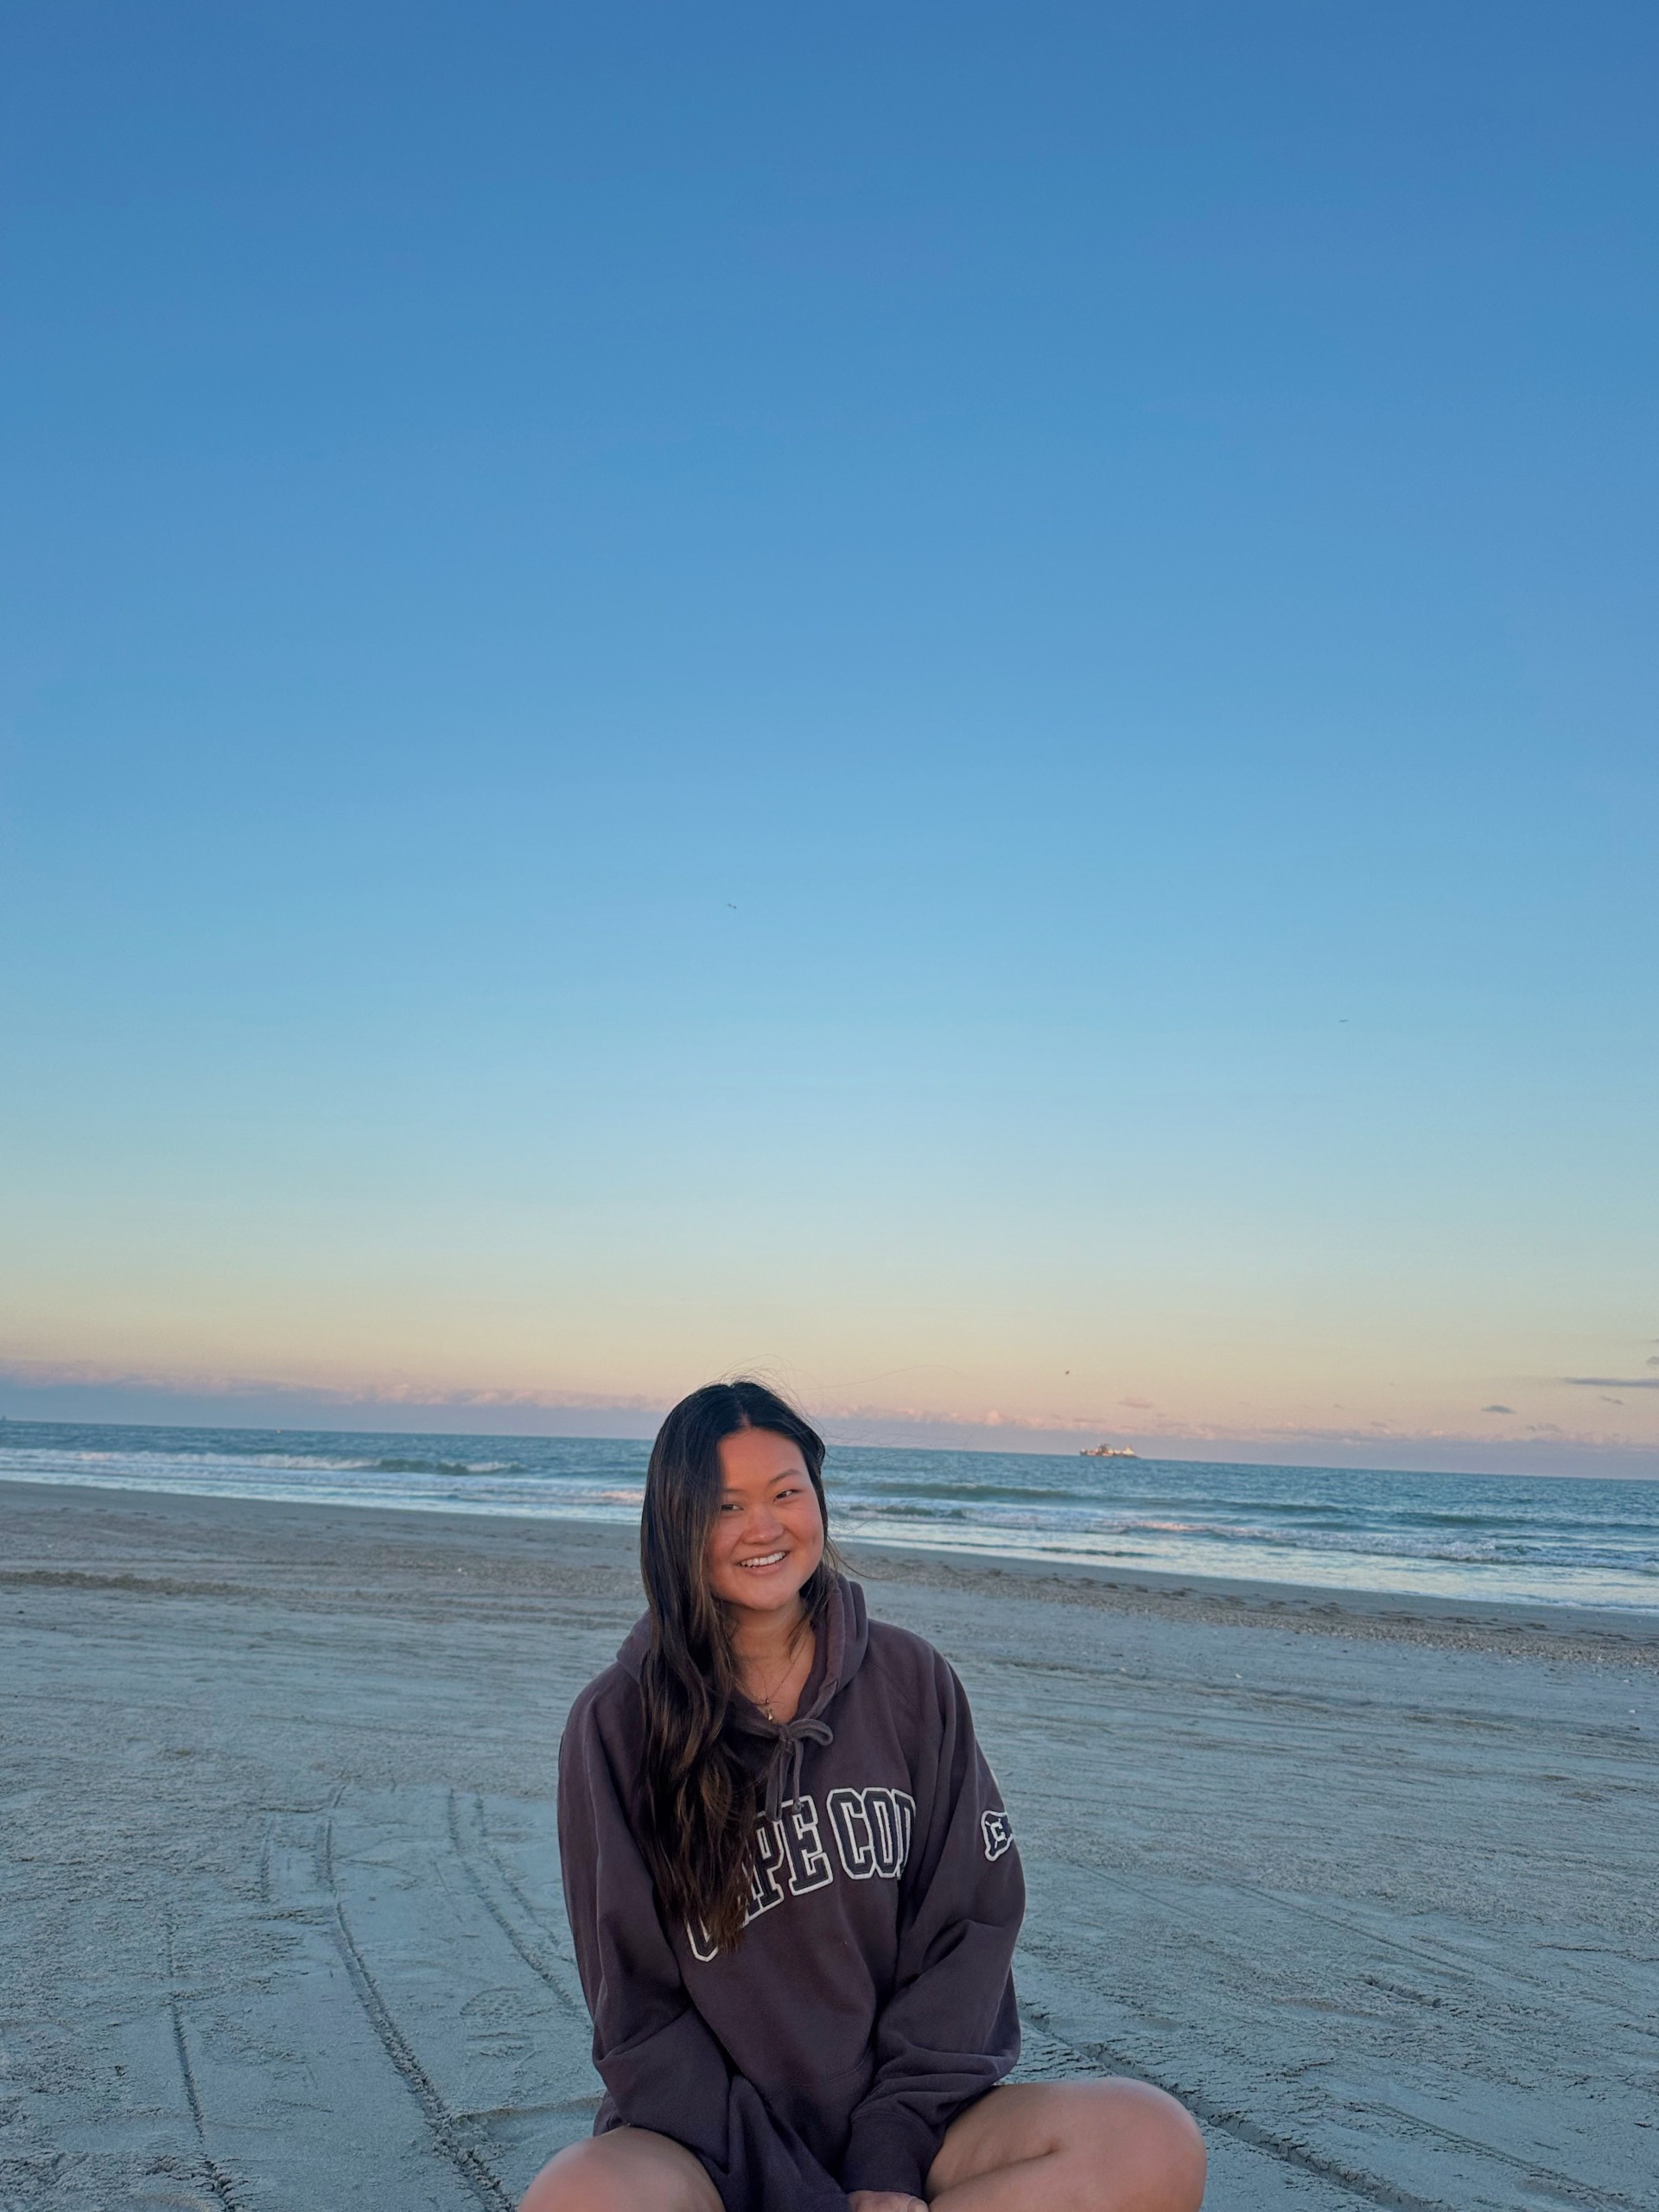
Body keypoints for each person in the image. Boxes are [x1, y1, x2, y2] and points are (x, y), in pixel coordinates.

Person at [521, 1379, 1206, 2212]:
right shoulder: (617, 1724)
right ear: (675, 1522)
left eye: (786, 1493)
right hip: (712, 2151)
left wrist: (887, 2158)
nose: (764, 1527)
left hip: (916, 2135)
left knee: (1150, 2139)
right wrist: (796, 2192)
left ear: (818, 1498)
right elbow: (638, 2013)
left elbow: (968, 1930)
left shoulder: (911, 1681)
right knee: (576, 2196)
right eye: (726, 1505)